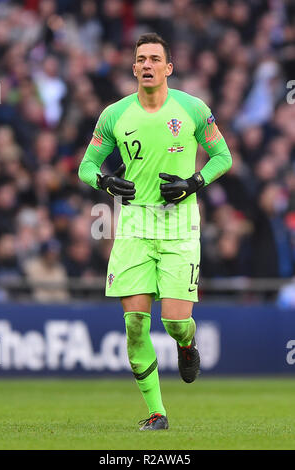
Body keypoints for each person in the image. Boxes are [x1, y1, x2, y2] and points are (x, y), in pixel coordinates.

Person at [78, 33, 232, 430]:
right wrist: (107, 183)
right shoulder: (114, 114)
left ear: (168, 67)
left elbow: (223, 156)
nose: (147, 65)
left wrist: (194, 183)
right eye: (140, 59)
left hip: (180, 226)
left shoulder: (193, 109)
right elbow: (86, 166)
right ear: (134, 69)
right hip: (133, 226)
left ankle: (186, 343)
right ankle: (157, 412)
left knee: (176, 322)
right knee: (134, 325)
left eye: (154, 59)